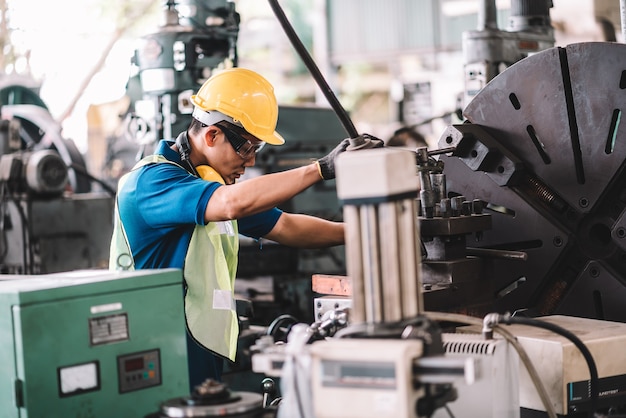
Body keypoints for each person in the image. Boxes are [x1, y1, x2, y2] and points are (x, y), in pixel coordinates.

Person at [108, 67, 381, 390]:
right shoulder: (151, 183)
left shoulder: (207, 184)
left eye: (256, 150)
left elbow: (285, 225)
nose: (250, 161)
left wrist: (366, 230)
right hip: (157, 355)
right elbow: (230, 204)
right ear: (212, 135)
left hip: (199, 351)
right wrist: (321, 169)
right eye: (247, 148)